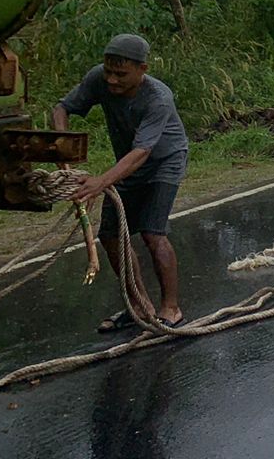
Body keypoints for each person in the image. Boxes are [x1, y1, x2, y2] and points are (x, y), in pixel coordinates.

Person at [52, 33, 189, 331]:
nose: (112, 81)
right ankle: (139, 305)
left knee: (153, 233)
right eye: (108, 72)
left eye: (121, 75)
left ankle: (171, 308)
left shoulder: (158, 98)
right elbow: (61, 109)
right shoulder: (97, 79)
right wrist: (65, 159)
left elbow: (142, 152)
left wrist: (100, 182)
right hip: (127, 162)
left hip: (162, 162)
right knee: (111, 236)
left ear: (143, 70)